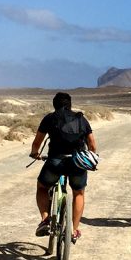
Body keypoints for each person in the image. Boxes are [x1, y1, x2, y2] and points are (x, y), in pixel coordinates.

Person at [30, 92, 97, 243]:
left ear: (55, 105)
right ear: (70, 104)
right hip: (77, 163)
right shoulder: (81, 119)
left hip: (55, 161)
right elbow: (92, 144)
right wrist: (89, 157)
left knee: (42, 187)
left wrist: (35, 153)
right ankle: (73, 230)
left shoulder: (49, 118)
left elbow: (36, 143)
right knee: (78, 193)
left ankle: (46, 219)